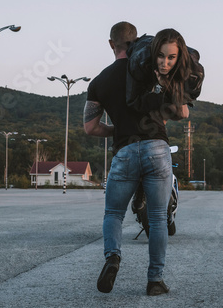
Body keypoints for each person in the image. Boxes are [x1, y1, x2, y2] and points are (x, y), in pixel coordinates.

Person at [84, 22, 178, 296]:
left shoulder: (99, 81)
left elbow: (90, 128)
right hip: (157, 149)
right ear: (137, 41)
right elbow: (178, 109)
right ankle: (155, 281)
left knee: (113, 213)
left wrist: (119, 131)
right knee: (159, 217)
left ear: (111, 44)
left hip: (124, 151)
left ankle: (112, 257)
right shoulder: (152, 71)